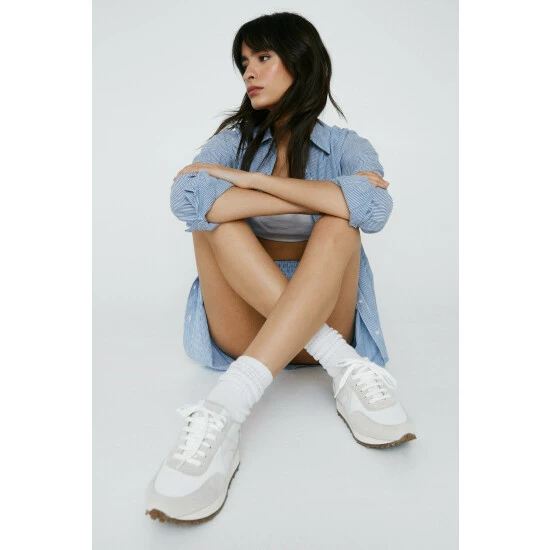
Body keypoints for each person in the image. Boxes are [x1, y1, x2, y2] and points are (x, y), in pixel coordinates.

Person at [145, 11, 416, 525]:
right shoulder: (232, 141)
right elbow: (188, 198)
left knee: (341, 226)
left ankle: (226, 405)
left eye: (263, 57)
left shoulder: (346, 145)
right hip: (245, 322)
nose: (249, 72)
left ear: (301, 61)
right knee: (215, 224)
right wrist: (325, 195)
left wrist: (247, 183)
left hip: (324, 309)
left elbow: (375, 208)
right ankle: (342, 363)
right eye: (244, 62)